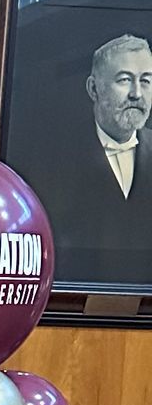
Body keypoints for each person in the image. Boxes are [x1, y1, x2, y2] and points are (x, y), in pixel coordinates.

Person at [33, 31, 152, 287]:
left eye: (146, 81)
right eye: (124, 80)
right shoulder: (51, 160)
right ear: (93, 89)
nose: (136, 94)